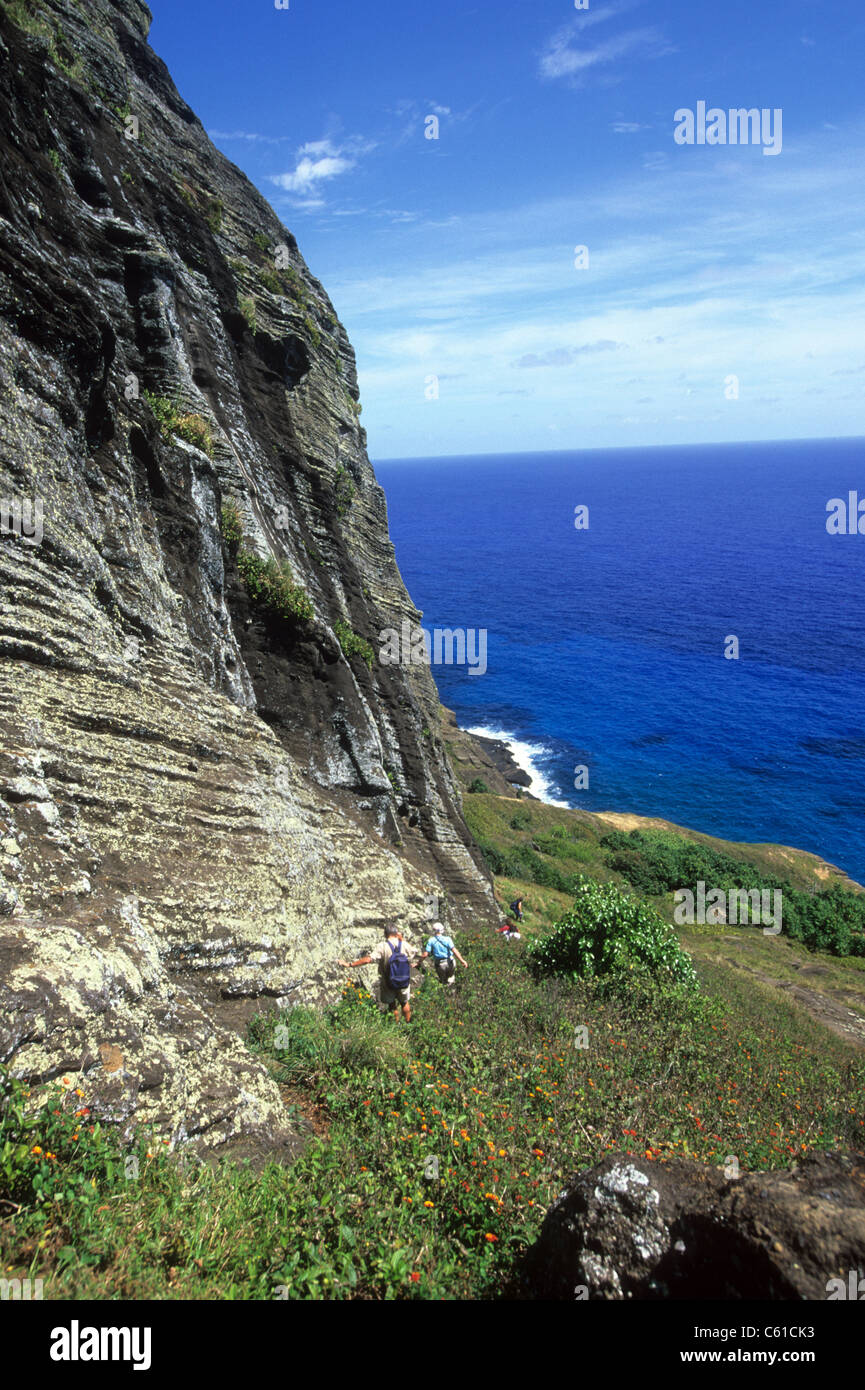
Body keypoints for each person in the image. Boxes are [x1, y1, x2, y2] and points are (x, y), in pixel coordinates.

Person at [338, 927, 417, 1022]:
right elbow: (413, 952)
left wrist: (350, 964)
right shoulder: (404, 944)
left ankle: (396, 1026)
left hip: (389, 981)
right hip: (403, 980)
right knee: (404, 1003)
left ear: (385, 934)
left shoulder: (382, 946)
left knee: (392, 1004)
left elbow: (368, 959)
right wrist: (402, 940)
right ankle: (408, 1024)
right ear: (396, 934)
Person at [419, 922, 467, 986]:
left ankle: (445, 990)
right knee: (451, 978)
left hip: (440, 965)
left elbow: (425, 954)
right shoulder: (447, 939)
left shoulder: (431, 940)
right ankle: (452, 990)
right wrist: (462, 961)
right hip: (450, 962)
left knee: (443, 981)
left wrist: (418, 963)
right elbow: (455, 951)